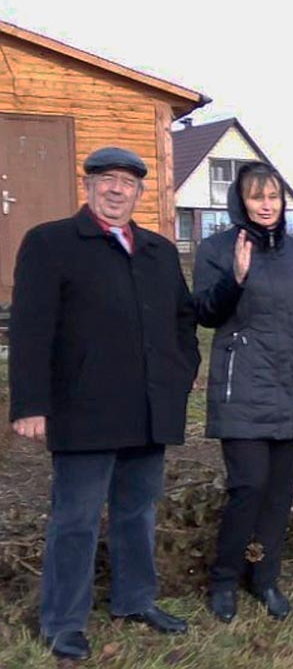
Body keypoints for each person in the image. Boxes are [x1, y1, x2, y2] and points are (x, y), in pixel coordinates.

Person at [8, 147, 199, 661]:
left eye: (128, 182)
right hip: (83, 408)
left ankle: (135, 600)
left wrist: (180, 378)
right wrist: (30, 403)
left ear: (140, 192)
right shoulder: (51, 243)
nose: (117, 189)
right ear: (88, 185)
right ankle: (63, 621)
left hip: (149, 407)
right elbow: (30, 329)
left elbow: (183, 321)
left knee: (137, 511)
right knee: (76, 519)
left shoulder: (158, 251)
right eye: (106, 179)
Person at [193, 162, 293, 622]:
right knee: (248, 486)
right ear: (241, 201)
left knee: (278, 492)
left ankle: (264, 577)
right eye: (257, 197)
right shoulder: (216, 248)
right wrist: (235, 276)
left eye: (273, 196)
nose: (266, 205)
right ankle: (224, 579)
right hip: (245, 386)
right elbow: (207, 313)